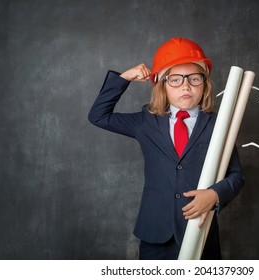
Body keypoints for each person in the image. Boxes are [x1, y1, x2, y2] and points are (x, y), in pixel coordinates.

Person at [88, 37, 244, 260]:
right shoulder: (146, 121)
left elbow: (236, 176)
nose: (186, 86)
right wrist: (125, 78)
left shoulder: (218, 125)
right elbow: (99, 116)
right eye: (176, 80)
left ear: (205, 84)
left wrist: (215, 194)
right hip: (155, 233)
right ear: (162, 85)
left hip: (200, 232)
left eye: (194, 79)